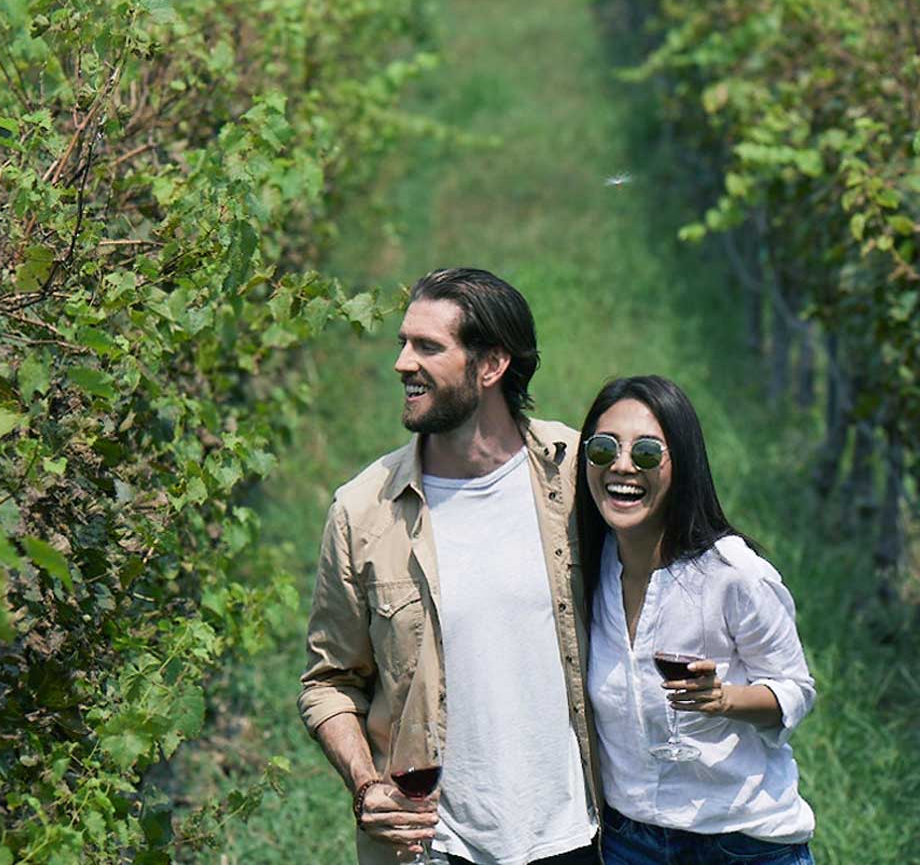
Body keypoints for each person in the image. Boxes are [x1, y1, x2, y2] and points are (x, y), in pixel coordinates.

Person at [299, 268, 600, 865]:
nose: (402, 364)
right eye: (403, 344)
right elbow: (329, 682)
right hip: (436, 849)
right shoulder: (364, 510)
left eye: (428, 347)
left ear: (490, 366)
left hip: (577, 836)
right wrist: (367, 785)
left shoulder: (576, 474)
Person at [576, 375, 816, 864]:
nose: (622, 466)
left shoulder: (735, 575)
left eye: (646, 453)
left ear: (681, 466)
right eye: (603, 449)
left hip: (741, 843)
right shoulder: (588, 568)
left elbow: (794, 689)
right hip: (630, 841)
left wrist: (725, 699)